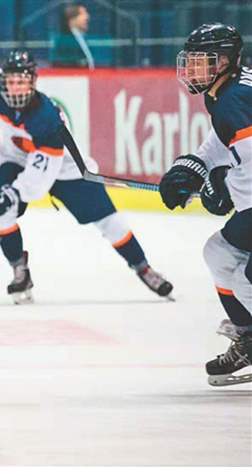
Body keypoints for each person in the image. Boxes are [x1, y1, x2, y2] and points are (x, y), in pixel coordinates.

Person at [0, 50, 173, 304]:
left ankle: (143, 268)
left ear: (33, 82)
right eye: (11, 81)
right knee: (0, 212)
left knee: (110, 222)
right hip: (15, 158)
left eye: (21, 82)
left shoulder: (46, 117)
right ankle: (20, 270)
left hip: (64, 168)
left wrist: (13, 194)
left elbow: (40, 177)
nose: (15, 88)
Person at [160, 23, 251, 386]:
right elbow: (222, 141)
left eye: (201, 60)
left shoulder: (233, 99)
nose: (191, 68)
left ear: (224, 62)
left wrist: (223, 186)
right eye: (191, 59)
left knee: (246, 281)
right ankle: (248, 340)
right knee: (220, 253)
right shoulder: (227, 92)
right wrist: (193, 167)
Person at [52, 2, 95, 69]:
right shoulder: (65, 41)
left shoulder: (83, 38)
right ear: (71, 20)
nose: (87, 17)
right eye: (82, 14)